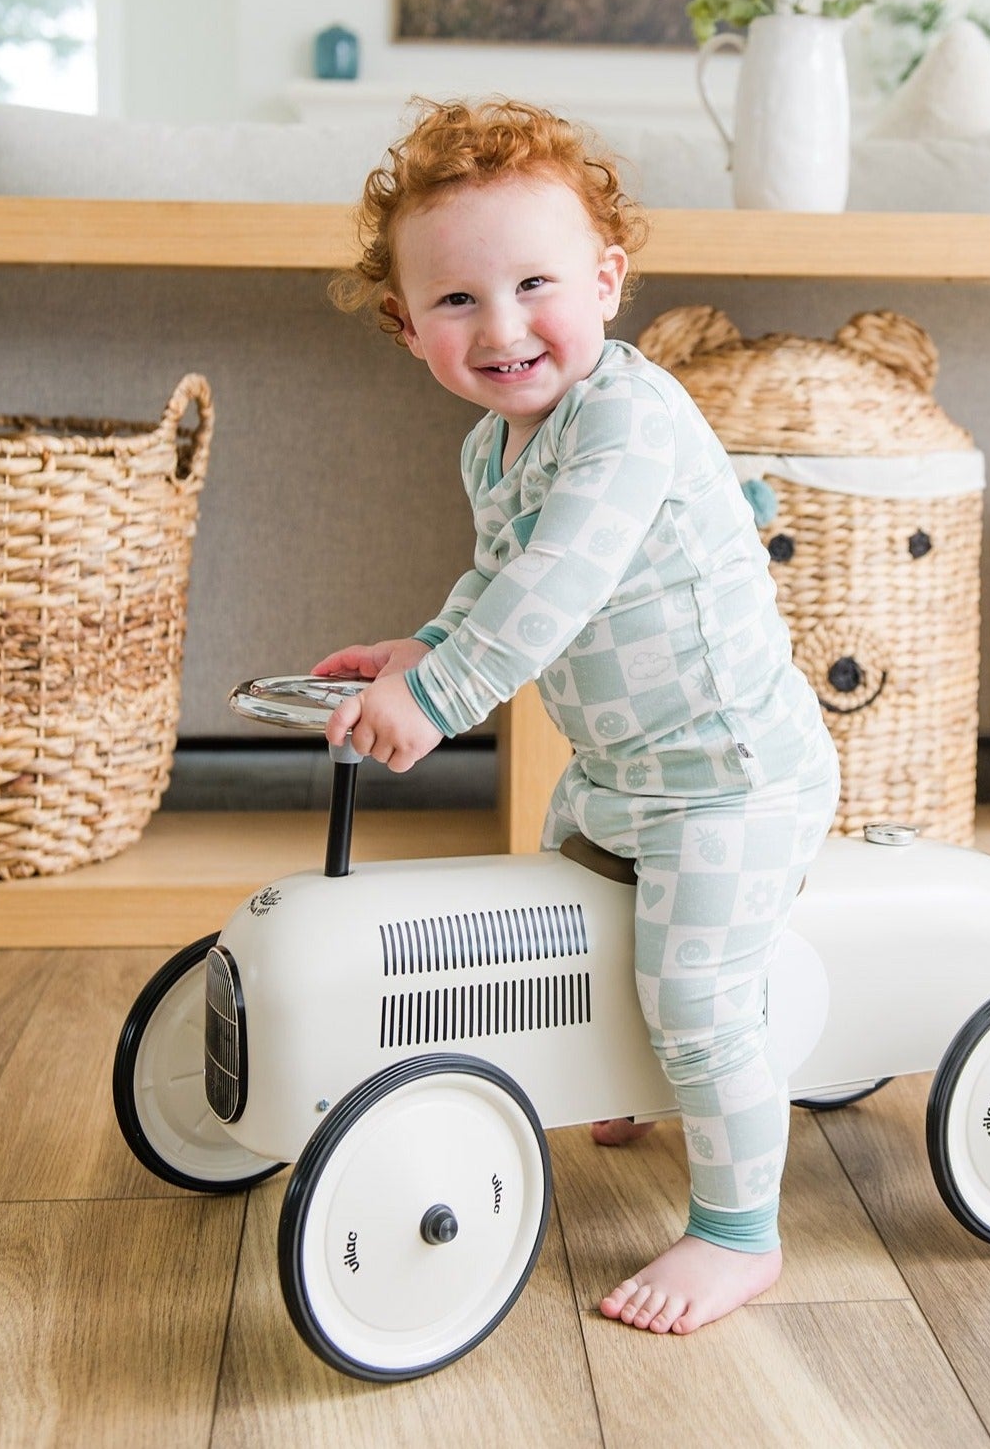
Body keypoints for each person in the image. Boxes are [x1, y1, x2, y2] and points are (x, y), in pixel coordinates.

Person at [317, 97, 840, 1336]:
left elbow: (555, 586)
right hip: (617, 772)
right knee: (567, 928)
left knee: (699, 996)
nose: (501, 328)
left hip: (729, 779)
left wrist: (440, 697)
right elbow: (499, 581)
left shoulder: (626, 421)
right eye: (454, 301)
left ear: (606, 283)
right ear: (408, 329)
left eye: (534, 284)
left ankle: (736, 1231)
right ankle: (629, 1066)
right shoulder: (493, 449)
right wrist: (423, 644)